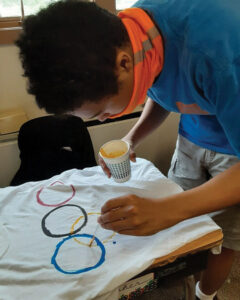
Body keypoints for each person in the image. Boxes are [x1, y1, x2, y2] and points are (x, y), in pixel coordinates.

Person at [16, 0, 240, 299]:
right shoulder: (133, 34)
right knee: (184, 230)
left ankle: (205, 295)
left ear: (123, 64)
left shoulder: (223, 53)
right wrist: (131, 138)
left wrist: (168, 209)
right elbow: (161, 86)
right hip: (193, 134)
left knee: (225, 237)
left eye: (103, 113)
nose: (106, 119)